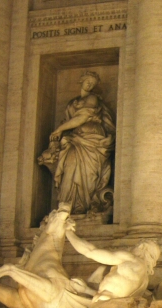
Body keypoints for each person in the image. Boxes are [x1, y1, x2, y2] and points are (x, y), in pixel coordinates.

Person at [40, 71, 116, 215]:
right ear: (81, 81)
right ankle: (69, 206)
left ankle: (85, 205)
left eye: (93, 84)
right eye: (88, 81)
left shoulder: (93, 98)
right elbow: (70, 120)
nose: (90, 85)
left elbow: (82, 117)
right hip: (75, 139)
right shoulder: (72, 102)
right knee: (70, 167)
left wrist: (59, 129)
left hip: (93, 140)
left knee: (89, 175)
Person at [65, 230, 160, 302]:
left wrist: (68, 232)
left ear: (141, 247)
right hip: (105, 301)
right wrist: (86, 290)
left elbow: (90, 251)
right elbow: (117, 298)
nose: (132, 248)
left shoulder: (132, 259)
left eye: (136, 246)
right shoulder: (144, 281)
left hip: (104, 302)